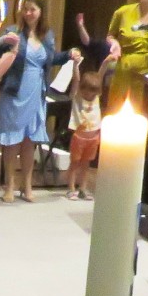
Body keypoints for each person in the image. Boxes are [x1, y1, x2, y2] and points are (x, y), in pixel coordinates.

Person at [0, 0, 77, 204]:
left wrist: (69, 54)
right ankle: (9, 184)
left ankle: (26, 185)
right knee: (11, 140)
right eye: (25, 9)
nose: (28, 13)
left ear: (41, 12)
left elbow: (51, 59)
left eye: (32, 9)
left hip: (36, 92)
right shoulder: (13, 32)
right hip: (15, 92)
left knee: (29, 141)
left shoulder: (48, 36)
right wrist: (2, 42)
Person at [65, 60, 105, 201]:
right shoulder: (77, 97)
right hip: (79, 137)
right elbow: (76, 79)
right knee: (75, 163)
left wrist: (106, 61)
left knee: (86, 164)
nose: (91, 94)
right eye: (88, 90)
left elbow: (101, 74)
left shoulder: (96, 99)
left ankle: (83, 188)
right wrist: (76, 65)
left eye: (94, 91)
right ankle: (71, 188)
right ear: (82, 89)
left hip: (93, 137)